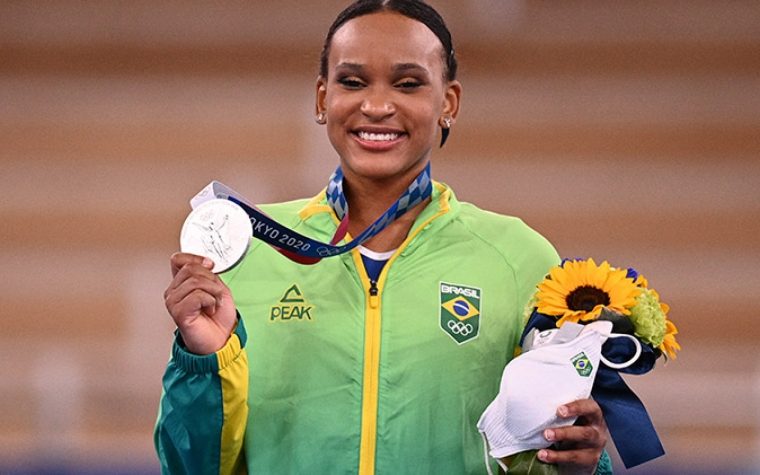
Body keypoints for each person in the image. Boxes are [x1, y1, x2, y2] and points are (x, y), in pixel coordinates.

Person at [155, 1, 611, 473]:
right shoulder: (249, 251)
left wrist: (580, 464)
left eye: (408, 83)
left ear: (448, 102)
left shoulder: (519, 259)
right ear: (321, 99)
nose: (375, 105)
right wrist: (202, 365)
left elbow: (550, 451)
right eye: (352, 82)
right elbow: (189, 467)